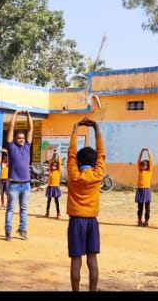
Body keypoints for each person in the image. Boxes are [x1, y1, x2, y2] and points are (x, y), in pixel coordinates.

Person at [66, 117, 105, 292]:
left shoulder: (74, 175)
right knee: (92, 260)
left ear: (79, 162)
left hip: (76, 222)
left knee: (76, 260)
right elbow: (102, 153)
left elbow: (71, 153)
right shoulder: (97, 175)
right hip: (92, 221)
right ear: (95, 162)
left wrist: (75, 129)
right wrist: (96, 129)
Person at [4, 108, 34, 241]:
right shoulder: (11, 147)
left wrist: (28, 115)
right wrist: (15, 114)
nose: (21, 140)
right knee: (10, 209)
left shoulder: (27, 146)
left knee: (24, 209)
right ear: (15, 139)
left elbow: (31, 129)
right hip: (14, 184)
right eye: (19, 138)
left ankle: (22, 230)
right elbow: (11, 128)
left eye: (23, 138)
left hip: (26, 184)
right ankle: (8, 231)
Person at [135, 147, 154, 227]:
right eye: (142, 165)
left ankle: (146, 221)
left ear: (148, 166)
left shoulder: (149, 171)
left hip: (146, 190)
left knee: (147, 208)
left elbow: (151, 162)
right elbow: (138, 161)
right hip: (140, 190)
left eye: (145, 165)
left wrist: (149, 152)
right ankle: (139, 220)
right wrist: (141, 152)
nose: (143, 166)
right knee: (140, 208)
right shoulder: (140, 171)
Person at [45, 148, 63, 219]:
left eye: (55, 166)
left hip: (55, 187)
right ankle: (47, 212)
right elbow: (51, 162)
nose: (54, 166)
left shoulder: (58, 171)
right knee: (48, 201)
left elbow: (59, 162)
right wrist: (53, 154)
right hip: (50, 187)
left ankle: (58, 213)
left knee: (56, 201)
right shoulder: (50, 171)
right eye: (53, 165)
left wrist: (57, 154)